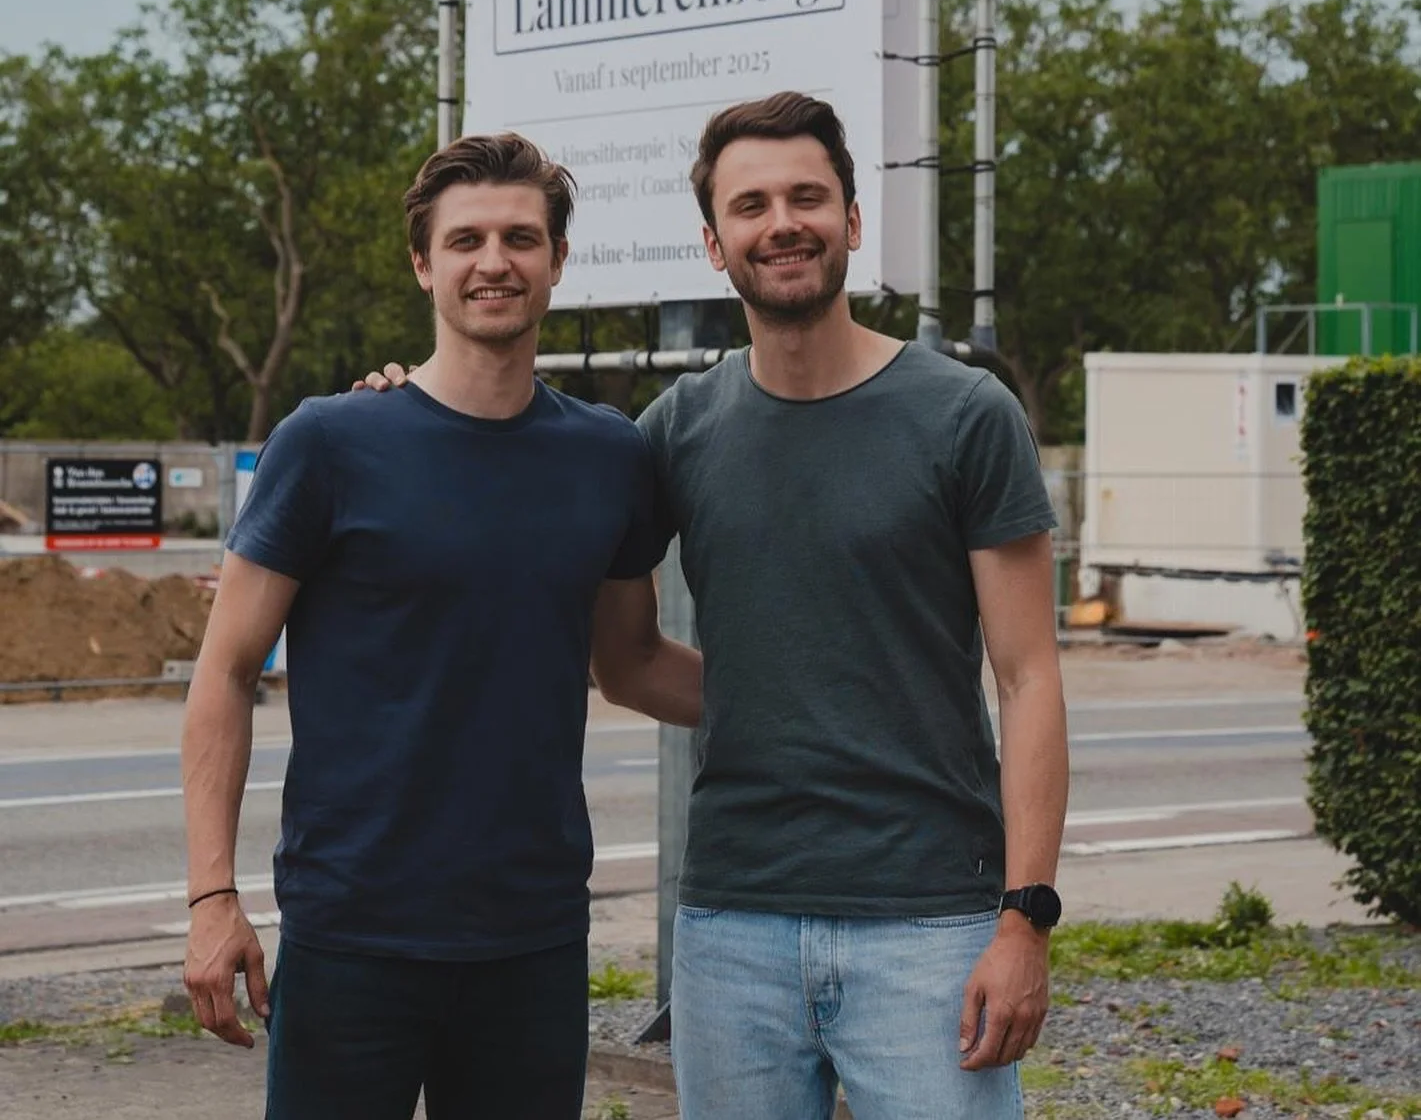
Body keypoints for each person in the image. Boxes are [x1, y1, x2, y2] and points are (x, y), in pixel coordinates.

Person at [363, 93, 1069, 1120]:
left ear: (852, 220)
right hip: (730, 921)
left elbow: (1028, 675)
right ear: (712, 241)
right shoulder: (676, 431)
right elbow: (627, 659)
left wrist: (1025, 916)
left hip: (928, 920)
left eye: (806, 197)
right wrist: (400, 410)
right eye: (750, 204)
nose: (780, 221)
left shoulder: (964, 414)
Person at [182, 132, 700, 1120]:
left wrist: (810, 703)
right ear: (424, 263)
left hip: (533, 937)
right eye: (465, 240)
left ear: (556, 260)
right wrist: (213, 897)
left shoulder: (608, 457)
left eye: (519, 236)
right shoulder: (329, 441)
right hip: (351, 931)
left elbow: (630, 662)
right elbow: (225, 668)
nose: (493, 260)